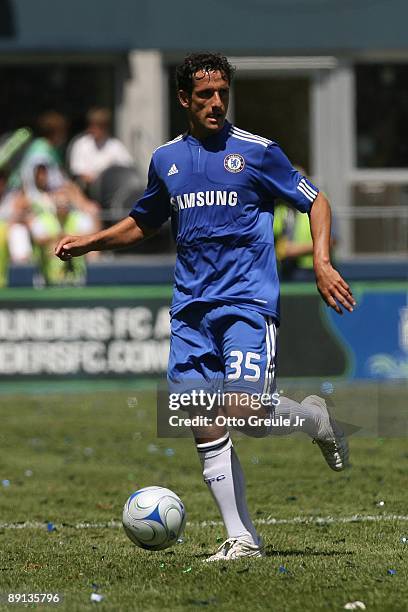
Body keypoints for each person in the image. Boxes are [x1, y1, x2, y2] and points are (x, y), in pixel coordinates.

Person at [56, 53, 355, 562]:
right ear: (183, 100)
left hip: (246, 305)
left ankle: (313, 421)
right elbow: (143, 221)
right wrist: (92, 242)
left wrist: (322, 261)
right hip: (191, 311)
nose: (216, 103)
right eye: (204, 95)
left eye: (222, 94)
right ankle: (242, 538)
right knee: (202, 416)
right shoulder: (166, 160)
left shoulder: (258, 153)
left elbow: (316, 202)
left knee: (248, 413)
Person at [68, 107, 133, 189]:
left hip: (111, 189)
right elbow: (78, 172)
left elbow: (127, 167)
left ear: (105, 127)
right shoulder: (81, 144)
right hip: (87, 189)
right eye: (93, 125)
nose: (95, 129)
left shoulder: (115, 146)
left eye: (99, 126)